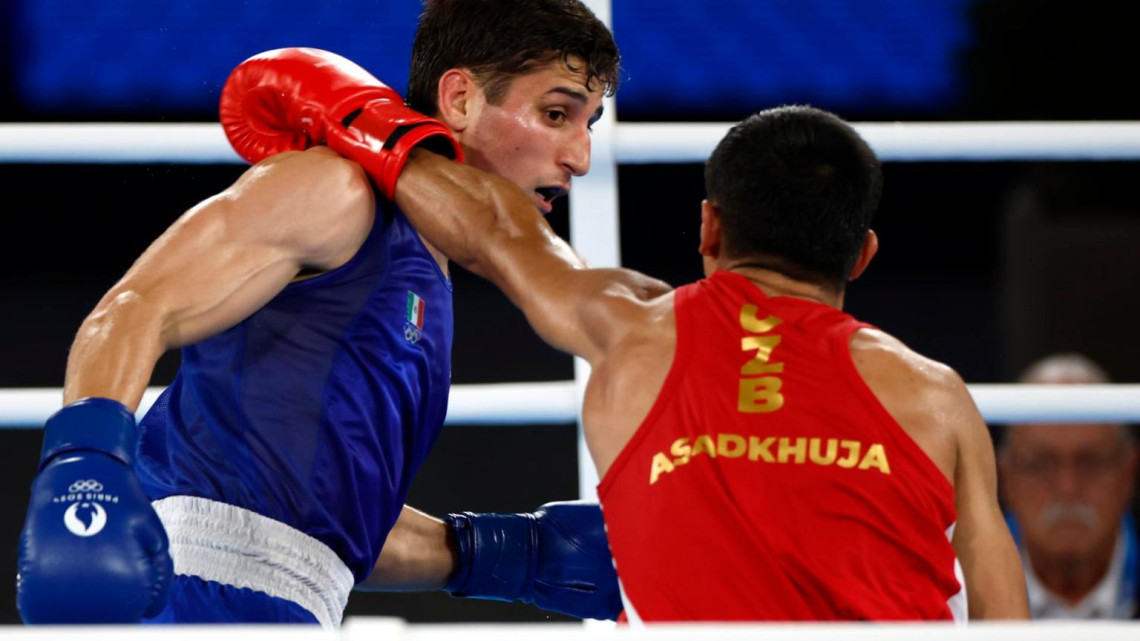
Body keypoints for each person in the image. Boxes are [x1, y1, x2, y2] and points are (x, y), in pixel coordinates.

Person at [17, 0, 623, 626]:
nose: (578, 156)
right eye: (556, 115)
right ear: (461, 98)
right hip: (193, 595)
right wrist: (83, 465)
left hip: (298, 604)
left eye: (589, 126)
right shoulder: (338, 191)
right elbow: (136, 308)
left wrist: (506, 554)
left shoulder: (425, 274)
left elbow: (310, 540)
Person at [382, 107, 1034, 620]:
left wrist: (356, 121)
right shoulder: (937, 397)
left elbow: (496, 230)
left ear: (709, 228)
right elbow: (1003, 613)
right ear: (862, 254)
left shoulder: (633, 332)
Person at [999, 353, 1139, 618]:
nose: (1068, 488)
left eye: (1091, 462)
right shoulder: (956, 591)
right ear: (1006, 478)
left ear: (1128, 473)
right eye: (1041, 464)